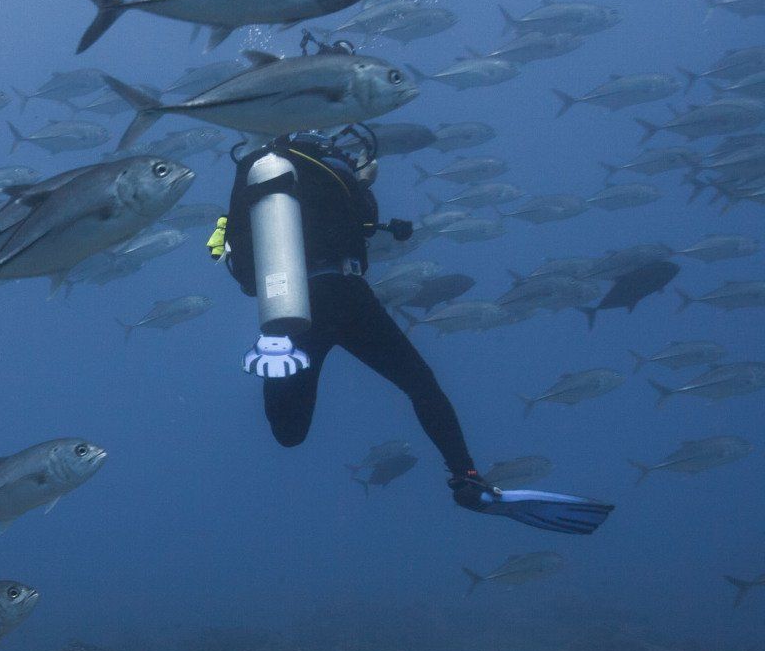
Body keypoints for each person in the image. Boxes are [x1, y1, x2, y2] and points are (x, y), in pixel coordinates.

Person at [209, 127, 613, 535]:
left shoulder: (257, 177)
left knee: (289, 435)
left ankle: (278, 365)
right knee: (421, 385)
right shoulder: (330, 168)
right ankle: (466, 477)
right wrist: (360, 185)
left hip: (292, 303)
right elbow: (362, 221)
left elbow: (236, 261)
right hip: (346, 295)